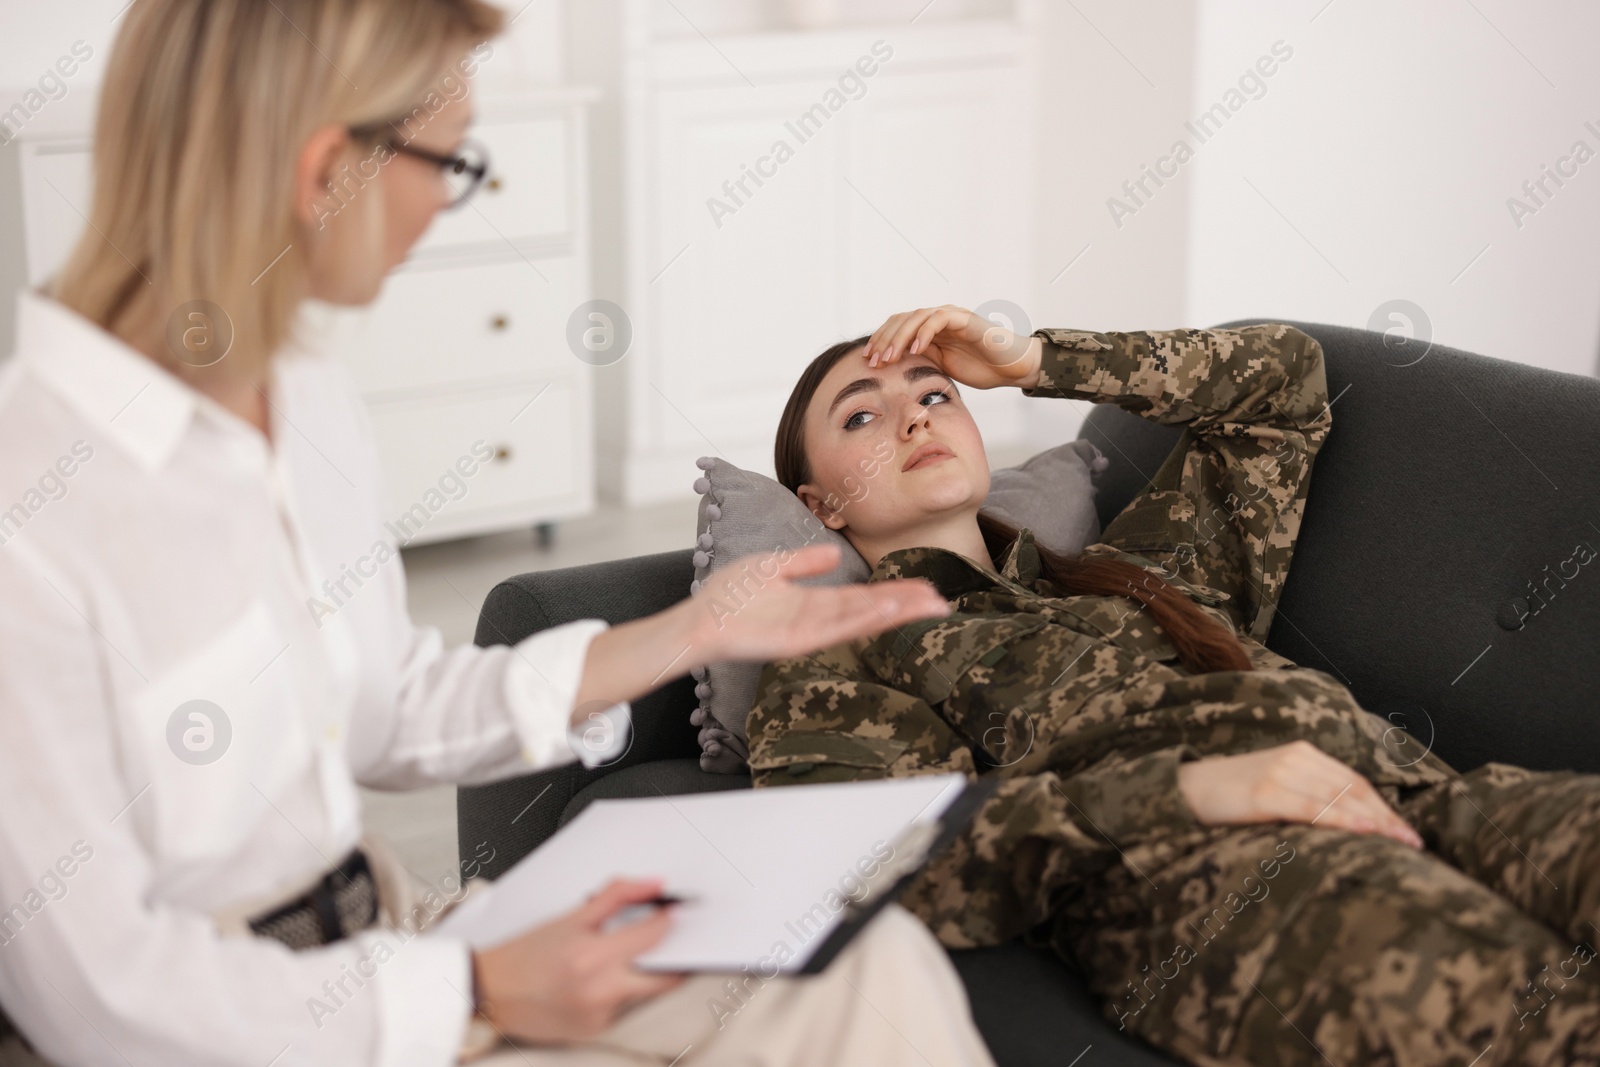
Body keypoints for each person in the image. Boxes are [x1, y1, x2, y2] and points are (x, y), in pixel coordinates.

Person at [0, 3, 997, 1065]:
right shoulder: (38, 519)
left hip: (393, 933)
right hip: (267, 1025)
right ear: (325, 169)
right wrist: (476, 985)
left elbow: (380, 710)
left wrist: (685, 634)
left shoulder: (302, 397)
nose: (448, 202)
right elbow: (100, 1000)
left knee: (866, 968)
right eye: (449, 162)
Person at [746, 303, 1600, 1066]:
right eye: (862, 413)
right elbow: (873, 854)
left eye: (934, 394)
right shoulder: (844, 659)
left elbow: (1285, 381)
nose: (910, 419)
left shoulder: (1142, 563)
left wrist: (1036, 362)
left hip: (1421, 795)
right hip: (1219, 875)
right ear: (821, 503)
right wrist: (1188, 789)